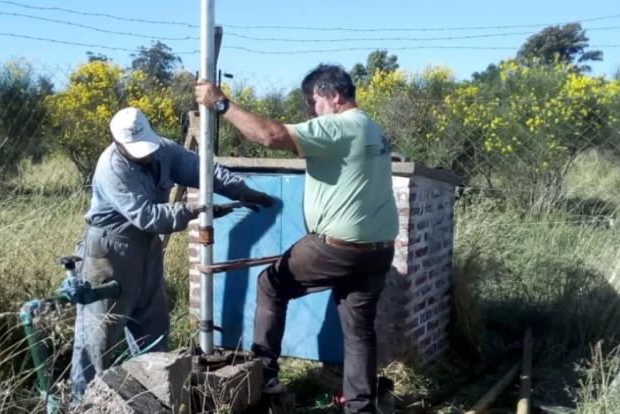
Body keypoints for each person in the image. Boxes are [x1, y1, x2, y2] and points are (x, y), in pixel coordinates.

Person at [195, 64, 398, 414]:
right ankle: (361, 408)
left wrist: (221, 103)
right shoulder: (371, 127)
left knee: (271, 284)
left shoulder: (339, 126)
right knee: (359, 330)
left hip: (338, 247)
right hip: (378, 250)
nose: (311, 111)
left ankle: (266, 373)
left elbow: (271, 136)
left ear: (333, 96)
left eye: (312, 102)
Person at [69, 107, 275, 400]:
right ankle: (82, 403)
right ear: (118, 144)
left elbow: (204, 170)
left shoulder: (163, 150)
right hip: (109, 253)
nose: (145, 155)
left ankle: (154, 399)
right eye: (136, 151)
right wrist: (195, 209)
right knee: (98, 339)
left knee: (153, 331)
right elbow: (148, 215)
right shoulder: (111, 168)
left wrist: (240, 190)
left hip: (148, 250)